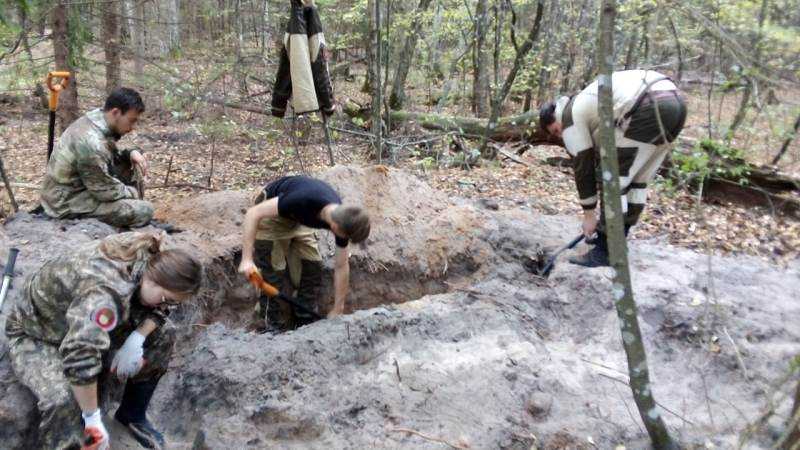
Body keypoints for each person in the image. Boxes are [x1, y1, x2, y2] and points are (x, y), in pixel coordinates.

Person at [4, 232, 203, 449]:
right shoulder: (106, 295)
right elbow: (80, 357)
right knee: (62, 399)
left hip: (79, 317)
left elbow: (162, 308)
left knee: (162, 337)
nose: (166, 307)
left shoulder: (157, 257)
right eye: (166, 300)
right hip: (38, 332)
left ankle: (131, 414)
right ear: (153, 277)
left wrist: (137, 338)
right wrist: (92, 419)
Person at [539, 69, 687, 267]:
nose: (561, 136)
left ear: (555, 115)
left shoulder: (569, 114)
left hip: (647, 105)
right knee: (636, 182)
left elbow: (583, 167)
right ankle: (614, 242)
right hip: (676, 103)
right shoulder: (590, 101)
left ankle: (605, 252)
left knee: (612, 181)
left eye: (556, 130)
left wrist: (589, 215)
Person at [238, 176, 370, 330]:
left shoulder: (342, 216)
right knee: (273, 275)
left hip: (299, 218)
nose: (345, 240)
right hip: (272, 217)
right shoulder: (301, 200)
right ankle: (271, 326)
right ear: (335, 228)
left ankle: (304, 323)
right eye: (345, 237)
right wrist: (246, 259)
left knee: (312, 268)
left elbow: (341, 265)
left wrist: (338, 309)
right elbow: (253, 213)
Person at [40, 87, 153, 228]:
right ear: (116, 112)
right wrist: (133, 193)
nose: (132, 127)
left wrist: (131, 152)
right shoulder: (91, 143)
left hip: (73, 187)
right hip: (65, 202)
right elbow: (105, 191)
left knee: (126, 162)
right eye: (131, 121)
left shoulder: (97, 118)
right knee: (145, 210)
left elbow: (113, 145)